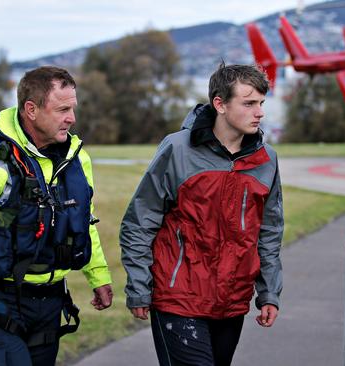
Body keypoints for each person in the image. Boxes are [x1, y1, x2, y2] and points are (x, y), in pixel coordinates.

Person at [0, 66, 113, 365]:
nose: (72, 118)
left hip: (51, 303)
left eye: (73, 108)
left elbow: (83, 221)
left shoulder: (76, 158)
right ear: (31, 109)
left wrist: (99, 277)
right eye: (62, 109)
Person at [120, 63, 283, 366]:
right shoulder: (177, 149)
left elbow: (269, 232)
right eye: (248, 103)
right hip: (178, 297)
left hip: (231, 302)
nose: (259, 112)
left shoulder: (266, 159)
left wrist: (269, 292)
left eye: (261, 103)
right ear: (220, 104)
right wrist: (139, 287)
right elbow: (139, 223)